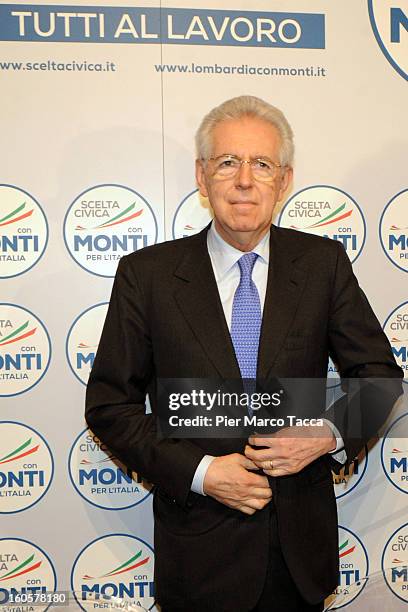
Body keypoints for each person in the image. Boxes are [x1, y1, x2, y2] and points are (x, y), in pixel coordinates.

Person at [85, 95, 403, 612]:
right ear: (201, 175)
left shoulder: (322, 263)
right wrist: (202, 473)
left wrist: (326, 433)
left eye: (262, 164)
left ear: (286, 179)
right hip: (198, 556)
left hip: (298, 555)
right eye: (228, 162)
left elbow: (380, 377)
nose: (244, 180)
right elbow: (109, 406)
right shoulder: (148, 275)